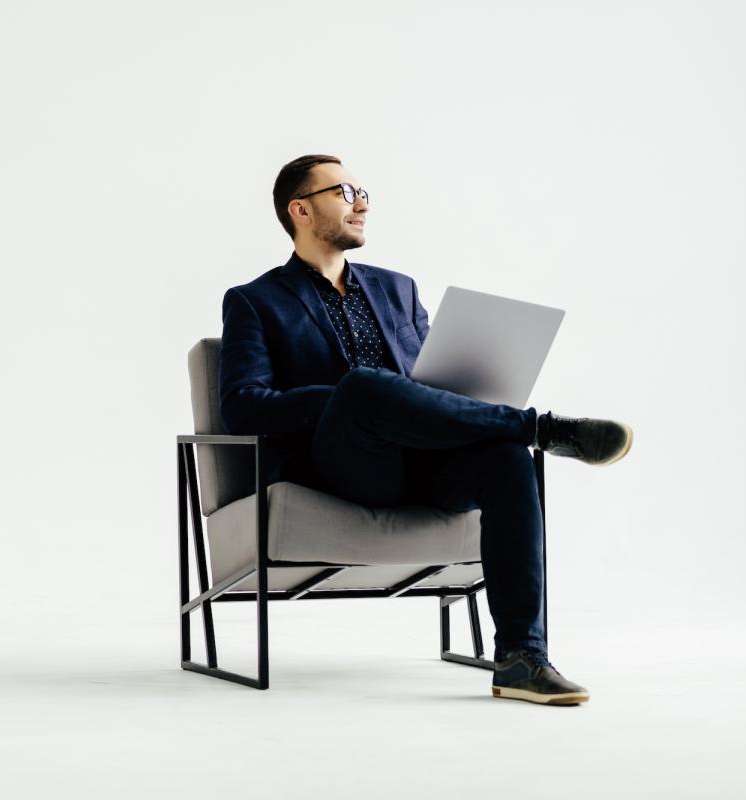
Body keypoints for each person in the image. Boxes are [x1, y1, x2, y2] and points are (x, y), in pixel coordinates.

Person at [218, 154, 633, 706]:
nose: (362, 204)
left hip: (424, 459)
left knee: (507, 458)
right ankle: (543, 428)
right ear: (300, 210)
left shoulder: (398, 288)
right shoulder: (254, 301)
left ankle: (521, 657)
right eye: (344, 192)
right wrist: (343, 397)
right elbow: (242, 406)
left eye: (364, 192)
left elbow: (431, 388)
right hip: (343, 465)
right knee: (364, 387)